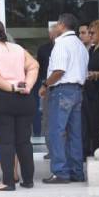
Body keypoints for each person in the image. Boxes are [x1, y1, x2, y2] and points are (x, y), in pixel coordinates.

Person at [0, 20, 39, 191]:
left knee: (6, 142)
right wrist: (26, 85)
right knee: (24, 141)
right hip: (23, 98)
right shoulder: (18, 48)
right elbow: (34, 65)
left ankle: (8, 182)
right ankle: (28, 180)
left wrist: (10, 87)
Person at [39, 14, 89, 184]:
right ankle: (77, 172)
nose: (55, 27)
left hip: (62, 90)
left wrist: (45, 85)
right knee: (75, 134)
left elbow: (59, 71)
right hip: (77, 90)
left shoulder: (61, 43)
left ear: (62, 25)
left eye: (57, 24)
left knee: (56, 132)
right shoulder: (81, 45)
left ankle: (60, 172)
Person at [37, 24, 58, 160]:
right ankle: (51, 150)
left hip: (61, 84)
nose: (55, 35)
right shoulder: (43, 49)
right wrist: (43, 84)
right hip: (46, 85)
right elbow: (39, 68)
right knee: (46, 118)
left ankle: (60, 151)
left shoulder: (65, 47)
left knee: (59, 120)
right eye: (53, 33)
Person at [85, 20, 99, 155]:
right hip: (90, 91)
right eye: (89, 32)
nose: (90, 35)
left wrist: (96, 74)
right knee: (91, 124)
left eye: (92, 32)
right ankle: (94, 151)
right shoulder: (92, 49)